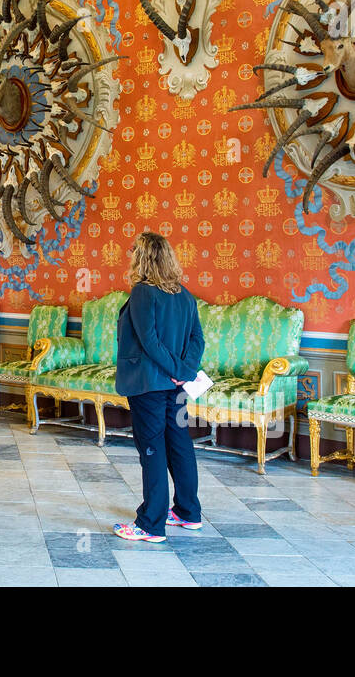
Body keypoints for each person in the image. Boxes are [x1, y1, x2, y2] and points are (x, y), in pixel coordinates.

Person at [112, 232, 205, 543]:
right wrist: (184, 372)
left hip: (148, 384)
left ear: (142, 258)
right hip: (175, 385)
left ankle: (150, 524)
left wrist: (177, 370)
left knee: (151, 449)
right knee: (179, 445)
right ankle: (188, 512)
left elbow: (149, 342)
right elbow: (197, 341)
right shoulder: (184, 295)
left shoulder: (143, 293)